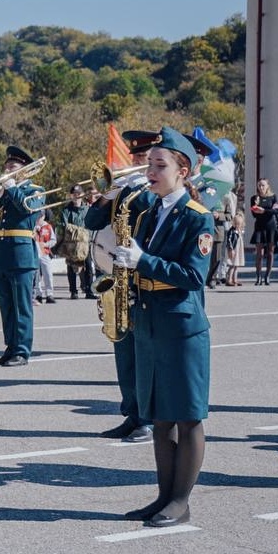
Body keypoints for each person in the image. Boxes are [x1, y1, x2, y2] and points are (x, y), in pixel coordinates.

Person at [113, 126, 214, 527]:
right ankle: (162, 497)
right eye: (150, 164)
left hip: (181, 326)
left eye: (160, 165)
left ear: (183, 171)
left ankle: (180, 500)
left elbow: (193, 275)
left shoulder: (197, 218)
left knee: (187, 416)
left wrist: (143, 262)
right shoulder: (149, 211)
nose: (149, 171)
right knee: (159, 416)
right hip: (150, 321)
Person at [86, 130, 156, 443]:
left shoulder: (151, 193)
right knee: (122, 346)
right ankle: (131, 412)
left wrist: (130, 190)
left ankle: (147, 419)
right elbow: (90, 221)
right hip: (116, 273)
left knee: (143, 352)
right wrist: (106, 195)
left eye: (144, 158)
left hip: (140, 274)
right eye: (136, 157)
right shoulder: (121, 189)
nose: (138, 162)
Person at [0, 145, 44, 366]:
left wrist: (12, 187)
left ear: (24, 169)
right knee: (5, 304)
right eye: (6, 166)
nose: (7, 170)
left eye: (12, 167)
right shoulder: (4, 194)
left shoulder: (34, 189)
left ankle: (22, 350)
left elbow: (26, 209)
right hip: (2, 253)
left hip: (22, 253)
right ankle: (10, 346)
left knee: (21, 305)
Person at [58, 185, 94, 299]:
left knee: (88, 267)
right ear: (71, 195)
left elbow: (92, 224)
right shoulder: (66, 210)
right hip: (72, 243)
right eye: (74, 194)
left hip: (85, 243)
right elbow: (65, 226)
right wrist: (79, 231)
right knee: (71, 268)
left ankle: (89, 291)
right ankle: (73, 291)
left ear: (82, 195)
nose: (76, 196)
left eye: (78, 194)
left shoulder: (88, 209)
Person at [249, 178, 278, 285]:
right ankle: (258, 276)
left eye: (263, 185)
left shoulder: (273, 197)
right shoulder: (254, 198)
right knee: (259, 253)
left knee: (270, 252)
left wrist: (263, 210)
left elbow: (276, 211)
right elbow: (254, 213)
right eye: (259, 185)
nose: (261, 187)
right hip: (259, 227)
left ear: (267, 186)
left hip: (271, 227)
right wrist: (259, 209)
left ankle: (267, 276)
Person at [33, 209, 57, 304]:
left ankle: (49, 294)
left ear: (44, 216)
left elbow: (53, 240)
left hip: (44, 253)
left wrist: (46, 244)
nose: (39, 218)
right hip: (35, 254)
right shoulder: (33, 227)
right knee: (37, 275)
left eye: (41, 216)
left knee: (47, 274)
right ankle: (38, 294)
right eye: (38, 216)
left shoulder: (48, 227)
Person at [226, 210, 245, 286]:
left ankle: (235, 279)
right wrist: (231, 249)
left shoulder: (240, 231)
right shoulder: (232, 231)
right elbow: (229, 240)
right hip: (234, 250)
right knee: (232, 265)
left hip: (239, 250)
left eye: (239, 224)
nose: (238, 225)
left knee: (236, 265)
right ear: (233, 223)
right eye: (236, 224)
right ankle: (229, 280)